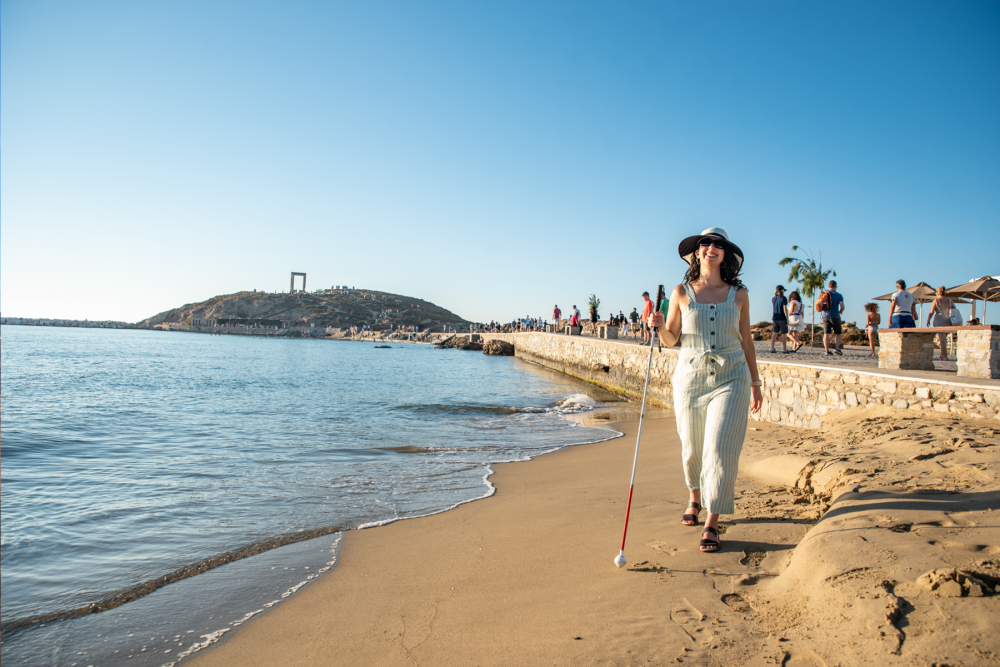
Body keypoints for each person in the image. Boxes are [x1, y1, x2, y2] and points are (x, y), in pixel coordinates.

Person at [649, 227, 762, 553]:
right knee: (693, 448)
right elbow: (672, 340)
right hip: (689, 381)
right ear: (697, 253)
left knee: (719, 448)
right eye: (705, 243)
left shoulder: (738, 295)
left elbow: (747, 341)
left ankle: (713, 520)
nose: (711, 248)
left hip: (732, 379)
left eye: (718, 244)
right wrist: (658, 326)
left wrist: (756, 383)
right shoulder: (681, 293)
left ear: (725, 254)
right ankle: (694, 497)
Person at [927, 286, 955, 361]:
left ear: (938, 293)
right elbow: (954, 310)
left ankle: (944, 356)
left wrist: (928, 320)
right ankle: (942, 354)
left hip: (939, 320)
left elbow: (931, 312)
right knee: (943, 338)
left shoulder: (936, 301)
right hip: (947, 320)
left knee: (942, 338)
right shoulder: (950, 301)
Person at [820, 280, 845, 355]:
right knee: (838, 333)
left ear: (829, 286)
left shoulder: (824, 294)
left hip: (825, 316)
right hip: (835, 316)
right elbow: (842, 306)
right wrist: (840, 311)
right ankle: (837, 348)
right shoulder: (839, 295)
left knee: (826, 333)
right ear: (835, 287)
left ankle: (827, 351)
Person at [770, 285, 789, 353]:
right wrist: (787, 318)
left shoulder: (773, 298)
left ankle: (772, 348)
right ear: (782, 290)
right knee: (783, 333)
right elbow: (785, 309)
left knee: (774, 333)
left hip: (775, 317)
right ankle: (784, 349)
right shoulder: (784, 298)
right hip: (782, 317)